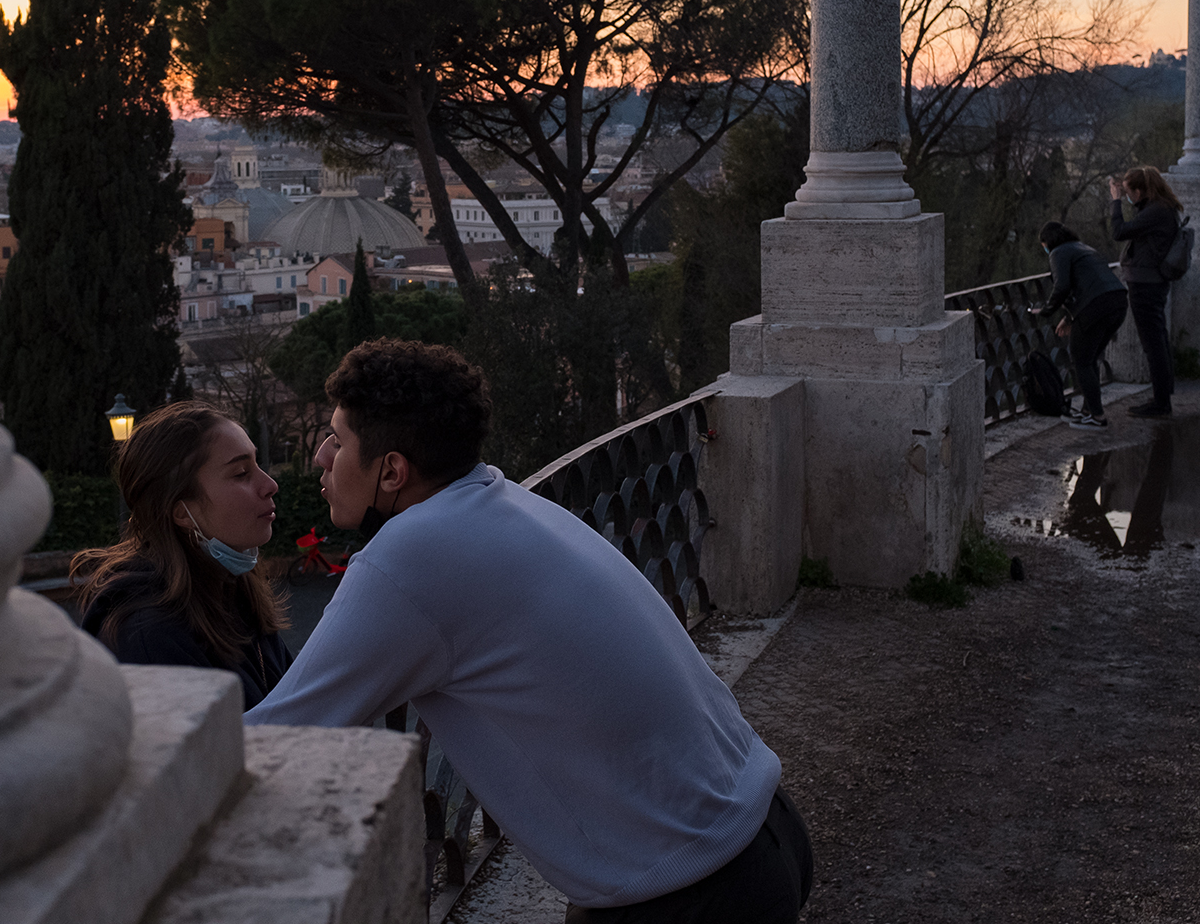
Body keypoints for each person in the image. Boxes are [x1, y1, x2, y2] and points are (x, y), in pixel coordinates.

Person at [245, 339, 812, 923]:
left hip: (687, 890)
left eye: (338, 440)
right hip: (760, 828)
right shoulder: (500, 497)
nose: (319, 455)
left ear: (391, 470)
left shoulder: (411, 558)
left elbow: (276, 735)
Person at [73, 400, 293, 711]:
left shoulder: (235, 591)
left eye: (258, 465)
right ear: (182, 512)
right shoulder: (148, 639)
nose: (270, 485)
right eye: (242, 473)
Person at [1027, 221, 1129, 430]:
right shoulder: (1084, 248)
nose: (1044, 249)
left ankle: (1098, 417)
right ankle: (1088, 410)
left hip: (1095, 307)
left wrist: (1047, 311)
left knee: (1082, 360)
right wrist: (1069, 317)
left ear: (1048, 242)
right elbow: (1085, 284)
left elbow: (1062, 286)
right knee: (1090, 358)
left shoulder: (1057, 253)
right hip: (1117, 302)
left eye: (1043, 245)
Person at [1108, 166, 1183, 419]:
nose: (1128, 197)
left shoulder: (1156, 212)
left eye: (1129, 192)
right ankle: (1163, 397)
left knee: (1153, 343)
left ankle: (1160, 403)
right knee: (1158, 339)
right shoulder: (1163, 208)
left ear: (1140, 191)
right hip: (1153, 281)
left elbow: (1119, 232)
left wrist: (1115, 202)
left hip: (1146, 283)